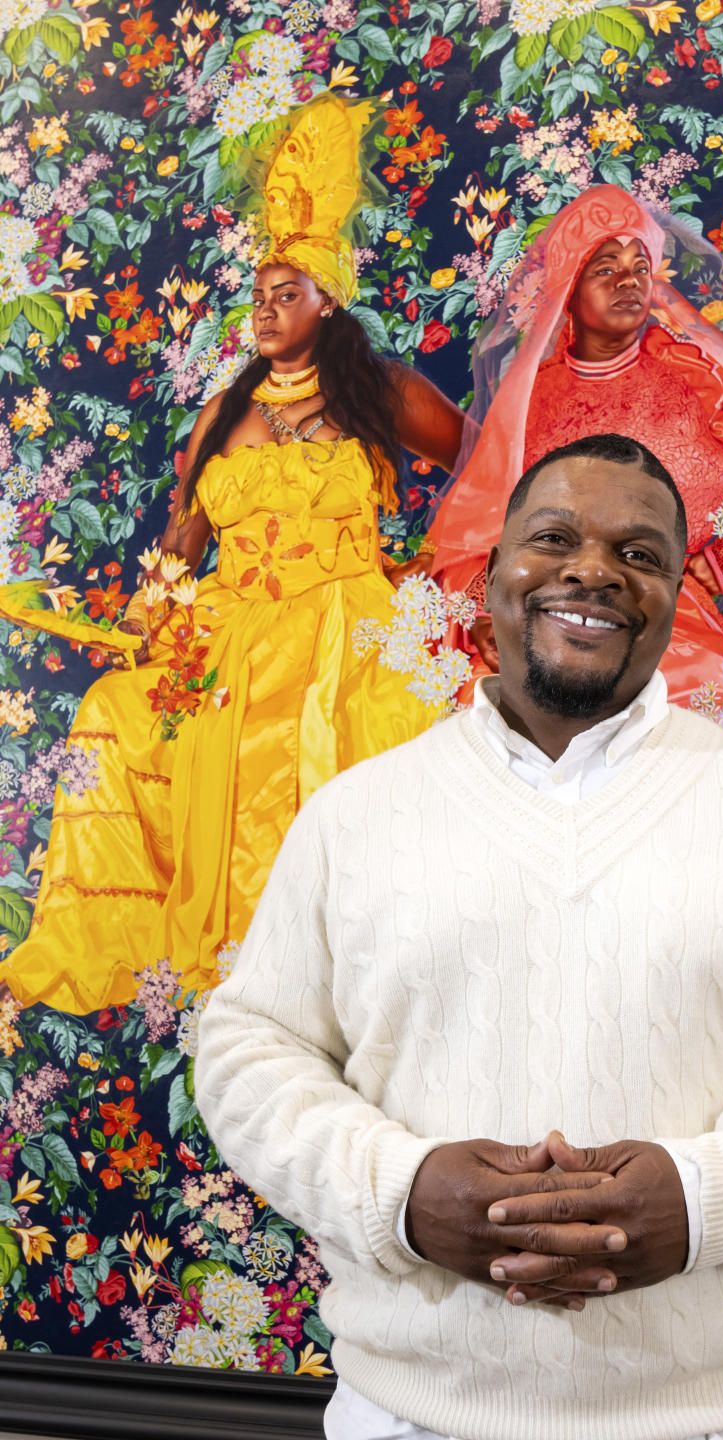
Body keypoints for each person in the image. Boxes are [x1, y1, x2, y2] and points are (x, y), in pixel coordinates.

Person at [195, 432, 723, 1440]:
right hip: (407, 1418)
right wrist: (403, 1192)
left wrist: (705, 1201)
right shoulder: (355, 814)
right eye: (553, 537)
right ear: (494, 570)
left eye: (639, 554)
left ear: (675, 594)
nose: (592, 570)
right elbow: (250, 1053)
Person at [0, 95, 464, 1014]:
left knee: (392, 740)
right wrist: (152, 625)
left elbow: (490, 474)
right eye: (257, 296)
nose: (262, 311)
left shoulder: (385, 393)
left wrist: (444, 577)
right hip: (231, 635)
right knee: (116, 711)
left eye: (284, 295)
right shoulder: (227, 411)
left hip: (347, 629)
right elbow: (182, 538)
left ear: (328, 305)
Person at [426, 186, 723, 764]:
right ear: (568, 285)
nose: (629, 281)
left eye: (640, 265)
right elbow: (477, 528)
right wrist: (489, 617)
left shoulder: (699, 377)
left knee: (695, 744)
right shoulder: (528, 402)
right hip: (544, 622)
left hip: (666, 623)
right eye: (606, 267)